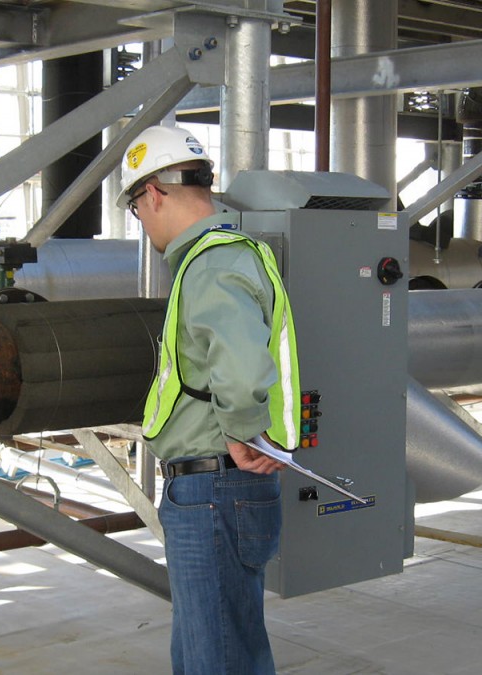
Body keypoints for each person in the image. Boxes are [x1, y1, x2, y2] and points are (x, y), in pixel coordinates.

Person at [118, 125, 302, 674]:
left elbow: (243, 373)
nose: (144, 222)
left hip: (214, 488)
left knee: (214, 656)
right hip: (225, 488)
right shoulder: (230, 254)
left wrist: (242, 433)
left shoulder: (211, 264)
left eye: (136, 208)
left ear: (152, 192)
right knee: (221, 644)